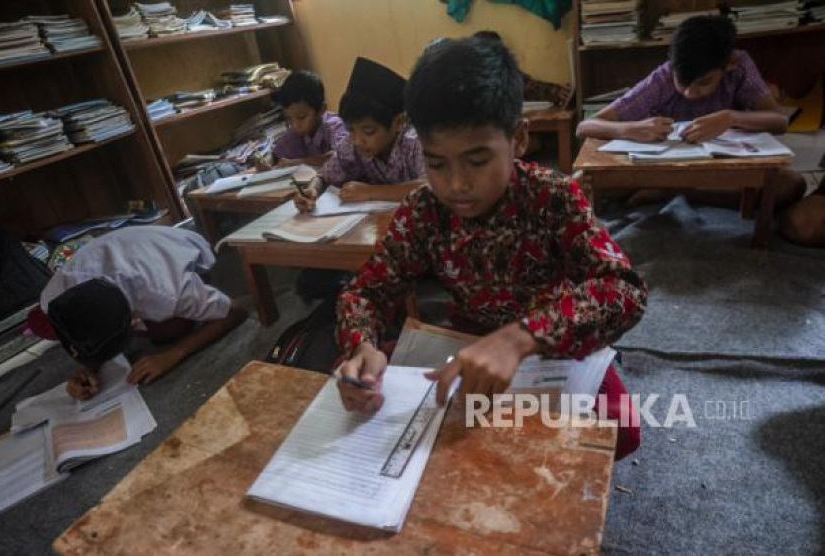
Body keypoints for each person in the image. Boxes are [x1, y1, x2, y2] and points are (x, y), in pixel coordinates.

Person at [333, 37, 648, 459]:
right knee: (377, 394)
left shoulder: (552, 197)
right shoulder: (424, 211)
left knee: (620, 430)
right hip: (465, 342)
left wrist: (522, 337)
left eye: (477, 161)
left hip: (550, 345)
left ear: (518, 140)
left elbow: (624, 289)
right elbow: (364, 292)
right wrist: (361, 347)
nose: (456, 184)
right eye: (437, 164)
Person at [576, 15, 805, 211]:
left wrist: (731, 117)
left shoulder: (740, 67)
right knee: (579, 185)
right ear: (672, 65)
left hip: (725, 173)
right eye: (682, 81)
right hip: (664, 171)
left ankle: (675, 193)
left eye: (704, 82)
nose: (689, 92)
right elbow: (585, 127)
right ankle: (673, 189)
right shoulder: (663, 78)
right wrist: (631, 129)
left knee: (791, 185)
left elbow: (779, 122)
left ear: (729, 64)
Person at [27, 226, 247, 400]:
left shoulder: (164, 292)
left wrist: (174, 354)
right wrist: (87, 367)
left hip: (180, 248)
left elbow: (236, 311)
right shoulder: (53, 299)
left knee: (170, 331)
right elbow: (78, 331)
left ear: (133, 320)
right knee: (41, 324)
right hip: (123, 249)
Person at [294, 57, 426, 212]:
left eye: (369, 131)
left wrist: (371, 192)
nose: (357, 141)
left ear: (398, 123)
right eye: (350, 130)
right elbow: (324, 175)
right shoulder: (353, 144)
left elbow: (431, 186)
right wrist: (312, 191)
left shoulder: (415, 142)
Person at [270, 70, 347, 168]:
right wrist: (267, 162)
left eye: (301, 117)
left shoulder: (334, 125)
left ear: (321, 110)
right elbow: (276, 153)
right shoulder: (295, 132)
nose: (295, 125)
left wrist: (300, 162)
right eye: (289, 118)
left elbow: (341, 157)